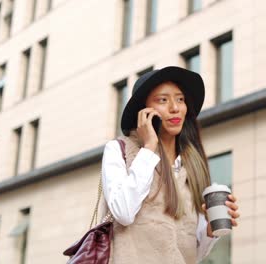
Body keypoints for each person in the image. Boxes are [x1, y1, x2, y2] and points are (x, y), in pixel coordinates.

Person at [101, 66, 240, 263]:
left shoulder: (191, 164)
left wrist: (210, 229)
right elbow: (123, 213)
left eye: (180, 99)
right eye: (163, 100)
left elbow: (190, 254)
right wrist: (149, 147)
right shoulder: (120, 151)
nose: (175, 108)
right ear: (144, 111)